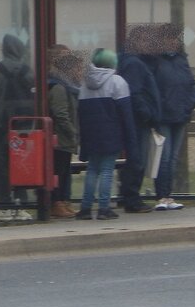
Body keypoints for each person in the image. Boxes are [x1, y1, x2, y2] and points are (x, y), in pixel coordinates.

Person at [76, 48, 136, 220]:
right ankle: (104, 208)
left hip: (91, 134)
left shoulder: (85, 84)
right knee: (107, 170)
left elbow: (81, 113)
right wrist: (130, 138)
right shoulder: (117, 82)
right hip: (111, 133)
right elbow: (125, 113)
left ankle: (86, 208)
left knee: (92, 169)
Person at [146, 24, 195, 210]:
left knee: (173, 158)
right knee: (164, 157)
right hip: (163, 117)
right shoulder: (154, 61)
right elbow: (151, 88)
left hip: (181, 115)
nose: (173, 42)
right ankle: (161, 195)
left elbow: (191, 84)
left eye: (175, 38)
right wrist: (157, 110)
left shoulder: (181, 60)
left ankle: (168, 195)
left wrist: (189, 105)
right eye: (169, 38)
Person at [0, 34, 35, 218]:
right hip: (23, 126)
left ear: (4, 49)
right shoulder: (28, 71)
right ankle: (21, 202)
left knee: (1, 165)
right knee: (21, 162)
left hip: (1, 125)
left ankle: (2, 203)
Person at [116, 25, 163, 213]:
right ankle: (131, 199)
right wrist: (147, 113)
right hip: (137, 120)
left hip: (137, 118)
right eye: (145, 41)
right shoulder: (134, 63)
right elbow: (134, 92)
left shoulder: (137, 61)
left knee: (136, 159)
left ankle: (129, 196)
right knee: (137, 159)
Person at [46, 46, 82, 219]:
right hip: (60, 138)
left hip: (64, 138)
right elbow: (61, 114)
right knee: (58, 170)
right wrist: (72, 132)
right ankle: (57, 203)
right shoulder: (58, 87)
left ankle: (63, 201)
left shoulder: (67, 85)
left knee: (63, 170)